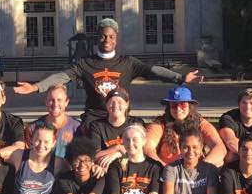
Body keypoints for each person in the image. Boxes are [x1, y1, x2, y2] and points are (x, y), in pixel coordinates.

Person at [12, 18, 201, 125]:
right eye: (103, 36)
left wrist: (180, 77)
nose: (107, 40)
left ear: (116, 39)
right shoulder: (86, 63)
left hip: (121, 118)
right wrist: (36, 87)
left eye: (111, 36)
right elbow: (63, 76)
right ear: (97, 38)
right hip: (94, 119)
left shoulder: (127, 63)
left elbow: (153, 70)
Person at [161, 122, 219, 194]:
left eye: (195, 147)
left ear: (201, 147)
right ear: (180, 148)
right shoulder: (171, 168)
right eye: (186, 147)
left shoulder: (210, 169)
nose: (190, 151)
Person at [145, 86, 226, 167]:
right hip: (167, 170)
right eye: (174, 105)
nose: (178, 108)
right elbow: (147, 147)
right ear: (169, 107)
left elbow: (220, 148)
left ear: (189, 106)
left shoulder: (200, 124)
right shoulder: (160, 124)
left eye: (182, 104)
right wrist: (165, 168)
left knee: (219, 162)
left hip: (196, 170)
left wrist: (202, 168)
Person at [82, 88, 146, 178]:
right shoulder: (97, 126)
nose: (115, 105)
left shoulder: (135, 123)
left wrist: (117, 154)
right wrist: (117, 147)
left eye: (120, 102)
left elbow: (142, 150)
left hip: (133, 169)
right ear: (106, 105)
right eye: (111, 102)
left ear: (126, 105)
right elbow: (93, 155)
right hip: (105, 170)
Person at [24, 84, 81, 158]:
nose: (55, 104)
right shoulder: (33, 128)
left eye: (59, 100)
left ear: (66, 102)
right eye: (51, 100)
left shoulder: (78, 127)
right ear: (46, 101)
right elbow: (27, 157)